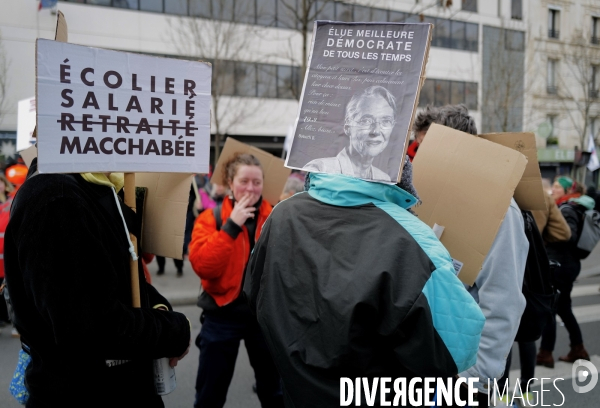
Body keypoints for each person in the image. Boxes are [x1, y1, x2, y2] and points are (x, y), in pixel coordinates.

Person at [244, 163, 485, 405]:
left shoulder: (281, 214)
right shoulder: (411, 238)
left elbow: (255, 292)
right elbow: (456, 349)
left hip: (298, 392)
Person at [4, 158, 191, 406]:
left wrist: (157, 306)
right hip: (87, 394)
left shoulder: (94, 188)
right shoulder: (58, 199)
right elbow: (92, 329)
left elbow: (119, 280)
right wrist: (173, 331)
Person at [430, 105, 528, 406]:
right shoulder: (433, 196)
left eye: (430, 148)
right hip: (434, 365)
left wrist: (474, 379)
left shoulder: (499, 210)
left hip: (465, 377)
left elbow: (504, 301)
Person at [188, 153, 282, 408]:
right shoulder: (211, 218)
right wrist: (231, 226)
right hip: (221, 314)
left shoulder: (276, 217)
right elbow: (204, 266)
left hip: (262, 317)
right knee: (210, 394)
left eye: (257, 182)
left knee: (274, 391)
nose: (251, 188)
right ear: (230, 183)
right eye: (244, 181)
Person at [537, 194, 593, 367]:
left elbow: (569, 236)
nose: (553, 189)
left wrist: (546, 239)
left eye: (557, 186)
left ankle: (545, 354)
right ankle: (578, 348)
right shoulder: (571, 208)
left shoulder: (567, 210)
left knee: (551, 309)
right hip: (568, 265)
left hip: (560, 264)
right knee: (564, 308)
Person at [303, 85, 397, 181]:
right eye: (366, 121)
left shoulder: (384, 179)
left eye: (386, 121)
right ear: (347, 127)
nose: (376, 131)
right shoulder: (320, 169)